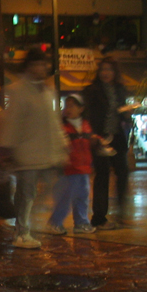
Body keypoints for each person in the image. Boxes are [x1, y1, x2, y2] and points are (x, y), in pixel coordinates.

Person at [0, 47, 69, 249]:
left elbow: (54, 122)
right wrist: (8, 148)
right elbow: (13, 122)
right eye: (36, 64)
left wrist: (63, 145)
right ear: (28, 67)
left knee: (44, 192)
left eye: (42, 64)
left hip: (46, 153)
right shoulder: (19, 90)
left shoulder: (48, 91)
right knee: (27, 194)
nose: (40, 68)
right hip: (27, 153)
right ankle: (22, 232)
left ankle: (26, 227)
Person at [82, 57, 137, 230]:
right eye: (103, 69)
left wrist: (127, 114)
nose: (106, 73)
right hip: (99, 137)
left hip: (117, 136)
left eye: (109, 69)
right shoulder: (92, 90)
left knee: (123, 171)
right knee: (102, 174)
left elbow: (121, 112)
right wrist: (91, 133)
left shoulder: (120, 90)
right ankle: (99, 218)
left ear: (115, 72)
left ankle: (121, 212)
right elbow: (86, 114)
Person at [46, 93, 97, 235]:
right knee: (65, 197)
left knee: (82, 197)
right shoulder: (62, 127)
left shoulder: (86, 125)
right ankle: (56, 223)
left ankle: (81, 223)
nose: (68, 109)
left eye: (72, 106)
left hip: (84, 168)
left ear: (81, 109)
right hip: (68, 169)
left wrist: (98, 141)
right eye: (67, 106)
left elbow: (90, 141)